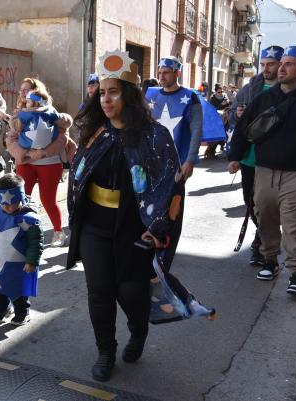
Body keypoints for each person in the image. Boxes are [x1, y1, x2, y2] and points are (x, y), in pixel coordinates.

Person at [68, 49, 186, 381]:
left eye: (114, 92)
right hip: (95, 225)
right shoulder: (94, 132)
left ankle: (138, 330)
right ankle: (106, 350)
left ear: (130, 95)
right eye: (102, 92)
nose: (106, 99)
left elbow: (171, 186)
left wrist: (159, 226)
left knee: (131, 292)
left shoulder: (155, 136)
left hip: (136, 226)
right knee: (100, 290)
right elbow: (77, 177)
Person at [228, 46, 296, 297]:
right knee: (266, 220)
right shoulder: (264, 99)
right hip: (264, 173)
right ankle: (270, 261)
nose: (282, 68)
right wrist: (235, 156)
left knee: (295, 226)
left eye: (290, 64)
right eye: (282, 63)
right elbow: (242, 129)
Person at [228, 46, 284, 266]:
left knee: (268, 205)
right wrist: (237, 114)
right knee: (249, 202)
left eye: (271, 64)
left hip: (275, 158)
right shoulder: (250, 87)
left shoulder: (289, 90)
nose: (266, 68)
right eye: (263, 64)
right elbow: (232, 114)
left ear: (281, 64)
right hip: (249, 157)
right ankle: (262, 235)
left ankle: (262, 242)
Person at [6, 81, 72, 247]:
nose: (23, 93)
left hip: (50, 163)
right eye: (21, 90)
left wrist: (42, 153)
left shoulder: (51, 113)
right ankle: (22, 233)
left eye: (27, 90)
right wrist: (27, 154)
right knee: (21, 198)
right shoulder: (19, 115)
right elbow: (11, 139)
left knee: (47, 199)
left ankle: (58, 231)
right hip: (26, 162)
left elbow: (62, 138)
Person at [0, 173, 43, 326]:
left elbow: (35, 243)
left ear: (21, 198)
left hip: (20, 263)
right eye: (4, 204)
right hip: (0, 260)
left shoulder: (29, 219)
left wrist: (31, 261)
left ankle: (22, 312)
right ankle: (2, 310)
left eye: (12, 203)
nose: (8, 207)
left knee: (18, 291)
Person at [147, 56, 203, 180]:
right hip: (152, 159)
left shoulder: (190, 96)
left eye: (166, 72)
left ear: (177, 73)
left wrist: (190, 160)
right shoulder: (151, 95)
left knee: (174, 197)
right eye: (159, 73)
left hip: (179, 160)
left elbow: (197, 130)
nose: (161, 76)